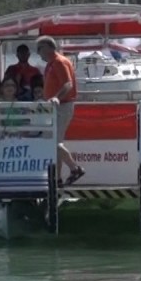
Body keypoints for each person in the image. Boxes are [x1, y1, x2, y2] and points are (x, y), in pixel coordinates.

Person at [37, 35, 85, 186]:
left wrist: (56, 97)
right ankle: (57, 178)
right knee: (56, 142)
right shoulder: (50, 64)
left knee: (53, 141)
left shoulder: (59, 62)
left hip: (62, 105)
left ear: (48, 48)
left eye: (40, 49)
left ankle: (75, 168)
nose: (38, 53)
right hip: (53, 107)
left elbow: (68, 84)